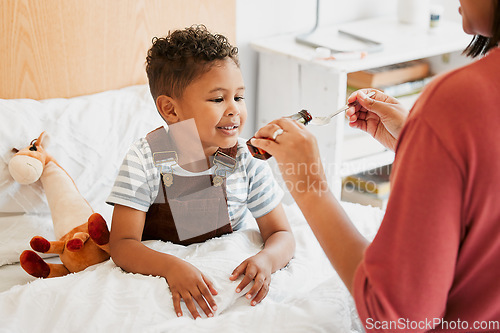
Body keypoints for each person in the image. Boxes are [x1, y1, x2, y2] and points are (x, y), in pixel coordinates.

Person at [250, 1, 500, 331]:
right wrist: (421, 145)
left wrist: (310, 187)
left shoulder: (458, 101)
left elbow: (397, 315)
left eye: (239, 97)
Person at [107, 25, 295, 320]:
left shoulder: (246, 157)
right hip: (167, 275)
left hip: (226, 277)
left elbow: (282, 233)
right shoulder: (145, 158)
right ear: (170, 110)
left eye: (239, 97)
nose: (234, 110)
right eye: (218, 99)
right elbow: (121, 245)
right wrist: (171, 267)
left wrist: (267, 260)